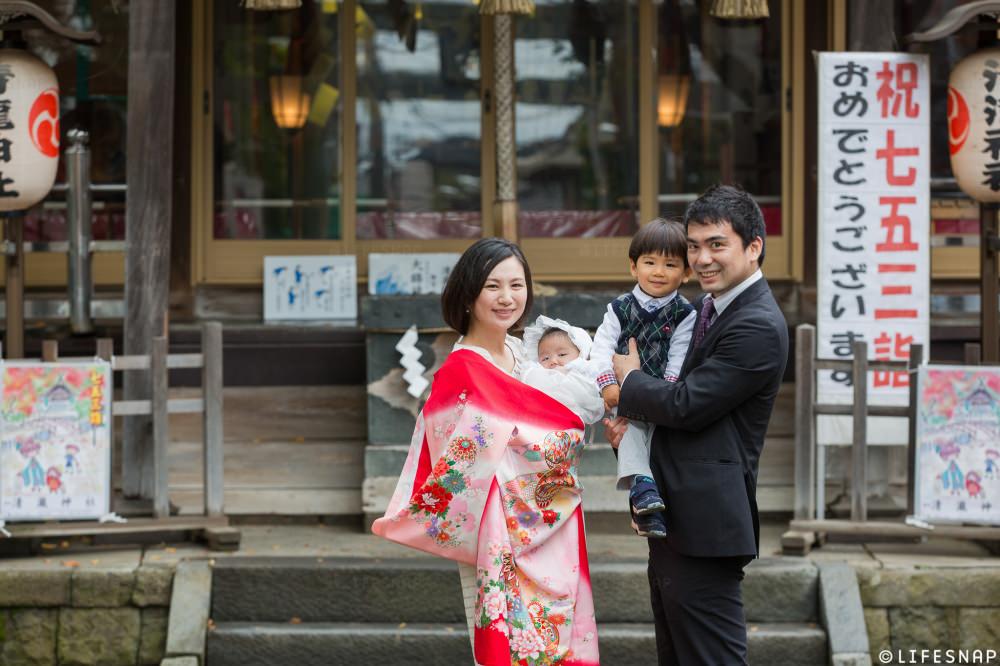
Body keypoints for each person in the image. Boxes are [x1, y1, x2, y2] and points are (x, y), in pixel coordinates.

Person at [372, 238, 600, 666]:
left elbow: (566, 421)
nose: (507, 298)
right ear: (469, 292)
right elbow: (459, 465)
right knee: (510, 646)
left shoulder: (526, 354)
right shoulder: (461, 369)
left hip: (556, 522)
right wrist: (550, 442)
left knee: (564, 633)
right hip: (500, 532)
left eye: (517, 285)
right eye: (493, 286)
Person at [607, 185, 789, 665]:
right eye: (694, 246)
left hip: (707, 526)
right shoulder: (708, 307)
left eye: (716, 245)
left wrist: (628, 383)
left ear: (753, 248)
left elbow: (687, 404)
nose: (702, 258)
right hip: (677, 514)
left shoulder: (757, 325)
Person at [589, 219, 695, 538]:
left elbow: (679, 356)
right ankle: (645, 489)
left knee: (655, 442)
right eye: (650, 262)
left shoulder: (684, 314)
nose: (659, 271)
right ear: (634, 267)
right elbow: (601, 347)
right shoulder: (619, 308)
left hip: (661, 396)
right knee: (632, 429)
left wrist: (665, 394)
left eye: (670, 264)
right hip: (621, 394)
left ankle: (642, 497)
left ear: (687, 272)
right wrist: (608, 383)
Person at [521, 315, 605, 426]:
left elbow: (588, 399)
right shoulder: (537, 373)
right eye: (545, 358)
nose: (553, 361)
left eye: (562, 354)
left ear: (581, 354)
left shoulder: (584, 375)